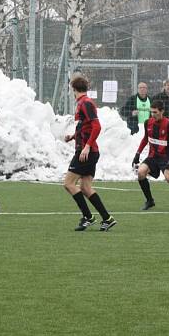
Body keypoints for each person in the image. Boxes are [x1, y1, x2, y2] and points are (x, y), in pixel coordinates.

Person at [63, 75, 117, 231]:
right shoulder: (83, 103)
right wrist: (73, 136)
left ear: (73, 89)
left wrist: (86, 146)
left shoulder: (85, 103)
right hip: (89, 151)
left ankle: (88, 217)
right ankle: (107, 218)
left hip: (86, 152)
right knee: (86, 188)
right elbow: (85, 126)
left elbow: (97, 126)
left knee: (68, 184)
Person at [132, 100, 169, 211]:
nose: (153, 115)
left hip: (165, 157)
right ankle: (150, 201)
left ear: (162, 111)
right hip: (152, 156)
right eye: (151, 112)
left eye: (155, 112)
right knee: (141, 173)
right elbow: (145, 139)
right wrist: (137, 153)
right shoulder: (148, 123)